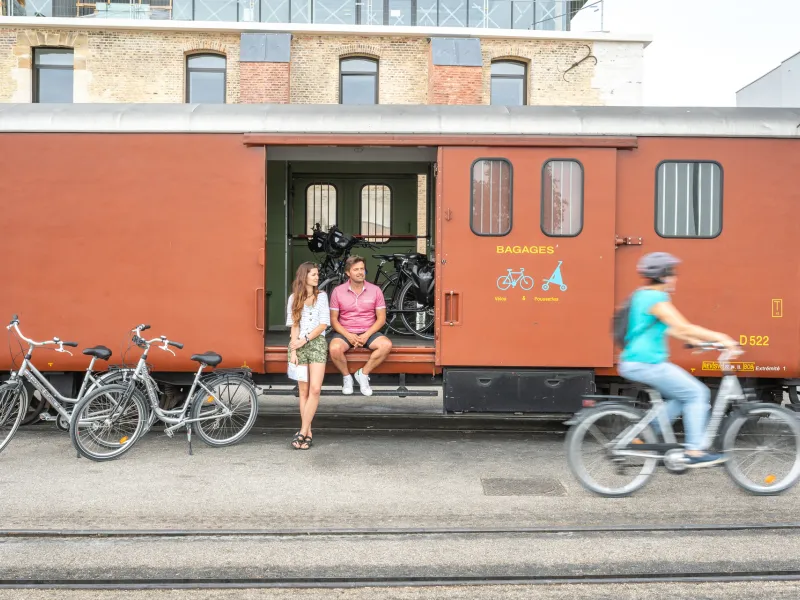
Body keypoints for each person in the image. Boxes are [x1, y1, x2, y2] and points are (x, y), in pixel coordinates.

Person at [617, 252, 739, 468]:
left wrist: (698, 342)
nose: (675, 278)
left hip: (637, 361)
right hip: (647, 363)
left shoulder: (642, 295)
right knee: (697, 393)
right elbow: (682, 326)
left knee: (680, 397)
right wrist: (720, 337)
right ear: (663, 276)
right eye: (672, 274)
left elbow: (674, 330)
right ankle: (694, 450)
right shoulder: (656, 299)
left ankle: (643, 435)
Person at [328, 255, 393, 396]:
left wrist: (366, 335)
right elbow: (333, 320)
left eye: (362, 269)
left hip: (368, 331)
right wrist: (348, 335)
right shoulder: (338, 291)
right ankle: (347, 377)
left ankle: (363, 374)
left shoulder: (375, 290)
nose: (360, 272)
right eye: (356, 269)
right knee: (334, 348)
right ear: (347, 273)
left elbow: (381, 319)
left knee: (386, 345)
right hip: (345, 331)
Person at [286, 262, 330, 450]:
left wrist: (304, 340)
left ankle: (302, 431)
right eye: (313, 274)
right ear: (304, 276)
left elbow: (323, 324)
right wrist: (294, 351)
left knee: (315, 390)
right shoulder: (294, 298)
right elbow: (294, 325)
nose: (317, 277)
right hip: (298, 346)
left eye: (317, 274)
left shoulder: (322, 297)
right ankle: (308, 432)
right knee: (302, 392)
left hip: (317, 344)